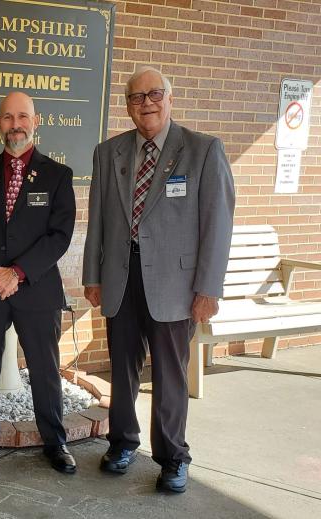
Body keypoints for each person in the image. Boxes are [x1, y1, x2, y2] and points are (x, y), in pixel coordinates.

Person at [82, 66, 235, 493]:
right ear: (127, 105)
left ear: (170, 97)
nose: (146, 102)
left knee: (169, 374)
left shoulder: (203, 150)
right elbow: (98, 221)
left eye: (155, 94)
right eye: (136, 97)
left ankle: (172, 457)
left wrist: (209, 289)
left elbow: (217, 225)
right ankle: (123, 443)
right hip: (120, 278)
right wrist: (92, 275)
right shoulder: (108, 152)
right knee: (123, 369)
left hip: (176, 285)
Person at [0, 91, 77, 475]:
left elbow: (60, 235)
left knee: (44, 367)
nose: (15, 125)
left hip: (36, 289)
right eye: (8, 118)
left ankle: (54, 440)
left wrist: (18, 273)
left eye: (23, 116)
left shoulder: (58, 176)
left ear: (36, 122)